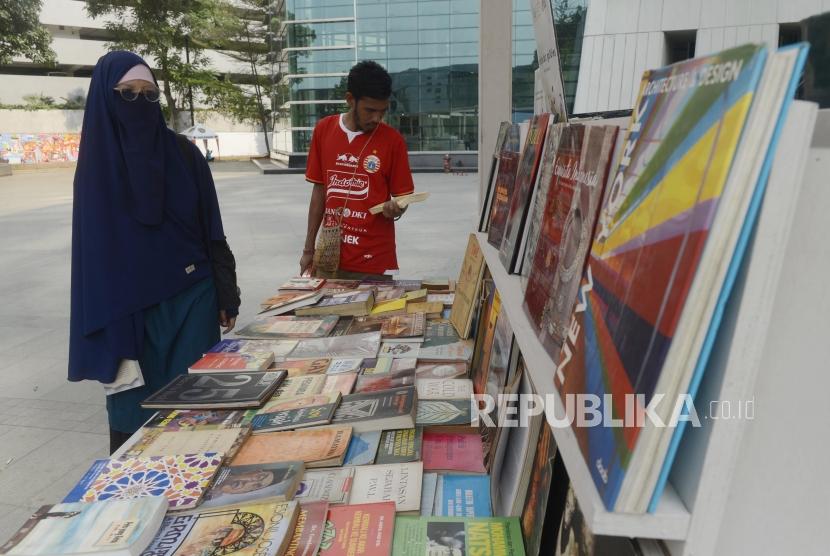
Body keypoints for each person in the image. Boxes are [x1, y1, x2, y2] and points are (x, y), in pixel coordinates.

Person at [68, 51, 241, 454]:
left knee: (195, 417)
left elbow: (211, 228)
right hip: (129, 314)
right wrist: (104, 333)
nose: (140, 104)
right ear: (105, 100)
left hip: (192, 300)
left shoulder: (183, 154)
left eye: (149, 95)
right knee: (134, 424)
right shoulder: (96, 171)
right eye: (127, 94)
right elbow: (92, 263)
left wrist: (226, 292)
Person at [300, 60, 415, 280]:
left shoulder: (393, 141)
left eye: (382, 111)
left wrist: (397, 208)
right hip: (329, 258)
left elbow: (403, 196)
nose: (376, 118)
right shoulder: (324, 130)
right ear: (350, 99)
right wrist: (308, 249)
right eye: (370, 110)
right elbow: (319, 192)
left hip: (375, 263)